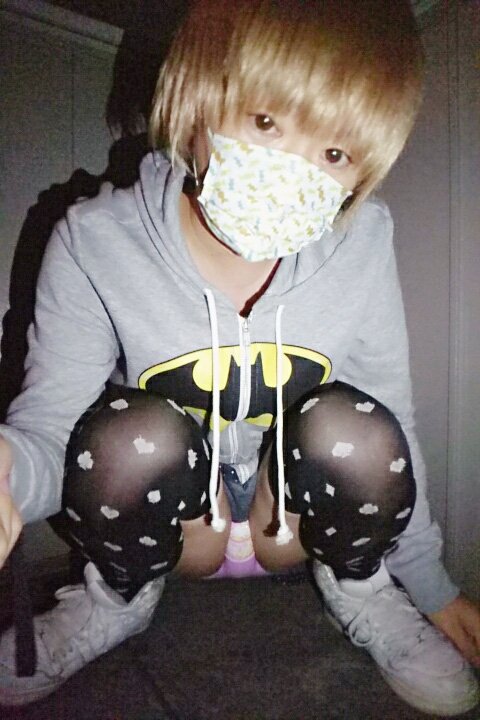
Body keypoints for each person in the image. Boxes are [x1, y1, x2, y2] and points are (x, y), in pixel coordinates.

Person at [0, 0, 479, 713]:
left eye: (335, 155)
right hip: (180, 530)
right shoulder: (94, 240)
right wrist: (7, 474)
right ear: (195, 96)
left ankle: (362, 588)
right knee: (129, 435)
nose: (291, 171)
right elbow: (51, 435)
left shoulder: (362, 241)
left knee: (357, 427)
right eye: (265, 122)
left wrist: (432, 587)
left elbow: (391, 422)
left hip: (286, 522)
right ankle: (116, 598)